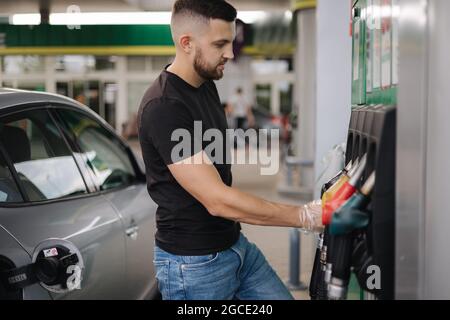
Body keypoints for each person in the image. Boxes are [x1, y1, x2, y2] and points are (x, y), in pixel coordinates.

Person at [137, 0, 323, 300]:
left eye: (231, 42)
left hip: (234, 246)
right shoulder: (165, 106)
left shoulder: (206, 85)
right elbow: (217, 200)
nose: (230, 53)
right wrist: (305, 216)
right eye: (220, 44)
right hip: (194, 266)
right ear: (187, 43)